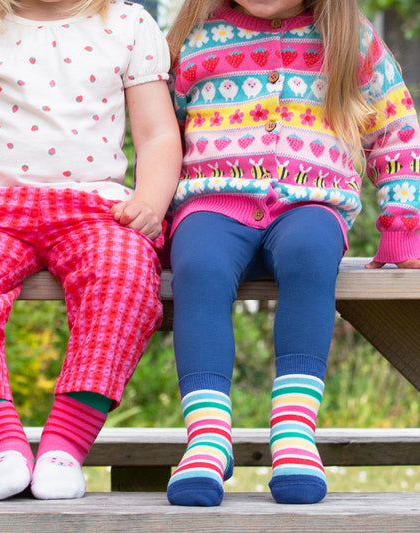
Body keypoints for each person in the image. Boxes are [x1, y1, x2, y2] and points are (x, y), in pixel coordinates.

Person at [0, 0, 181, 501]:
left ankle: (64, 446)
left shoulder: (126, 25)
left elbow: (158, 133)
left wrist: (150, 199)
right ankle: (2, 446)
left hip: (94, 207)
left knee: (124, 277)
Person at [165, 0, 420, 506]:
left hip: (310, 206)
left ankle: (295, 431)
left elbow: (394, 129)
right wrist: (153, 223)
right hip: (215, 203)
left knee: (310, 254)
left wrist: (403, 225)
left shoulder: (351, 39)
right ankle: (206, 439)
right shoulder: (197, 36)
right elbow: (161, 136)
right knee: (198, 266)